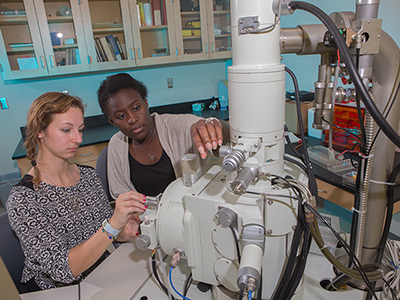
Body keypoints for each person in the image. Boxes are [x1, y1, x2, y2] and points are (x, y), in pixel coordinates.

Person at [6, 92, 146, 291]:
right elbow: (62, 271)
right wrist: (113, 225)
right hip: (62, 290)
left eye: (80, 130)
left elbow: (105, 234)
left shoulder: (88, 176)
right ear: (40, 131)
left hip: (101, 272)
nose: (78, 139)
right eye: (66, 130)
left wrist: (124, 229)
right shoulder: (24, 199)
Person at [97, 73, 230, 199]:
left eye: (136, 108)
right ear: (112, 121)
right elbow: (123, 198)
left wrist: (212, 125)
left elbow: (225, 131)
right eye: (121, 116)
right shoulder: (116, 144)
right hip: (145, 219)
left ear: (146, 103)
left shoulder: (176, 127)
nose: (132, 119)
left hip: (186, 212)